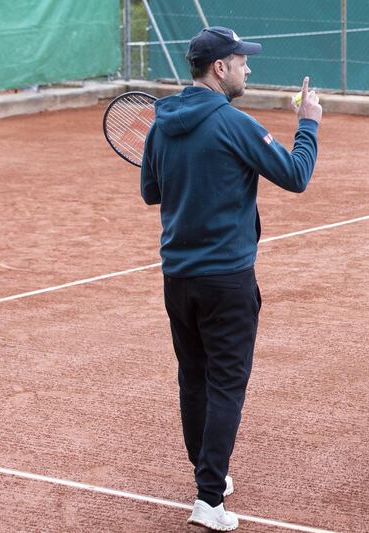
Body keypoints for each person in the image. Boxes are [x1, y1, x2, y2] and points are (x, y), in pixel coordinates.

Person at [140, 26, 322, 530]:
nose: (249, 69)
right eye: (243, 61)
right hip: (227, 279)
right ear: (219, 68)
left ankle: (208, 474)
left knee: (192, 377)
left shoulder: (160, 124)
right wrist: (307, 124)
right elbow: (296, 174)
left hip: (177, 277)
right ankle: (208, 500)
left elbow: (152, 192)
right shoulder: (234, 123)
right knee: (226, 385)